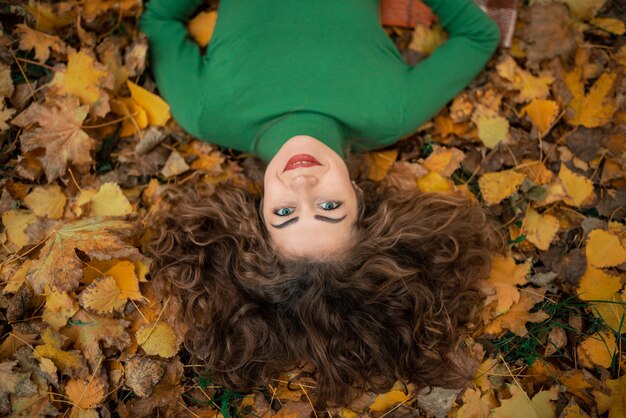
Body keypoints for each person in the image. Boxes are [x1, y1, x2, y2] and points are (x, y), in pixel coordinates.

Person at [142, 0, 504, 406]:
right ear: (359, 195)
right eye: (330, 207)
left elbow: (159, 19)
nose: (302, 184)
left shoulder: (206, 111)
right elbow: (480, 34)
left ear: (257, 212)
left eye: (285, 213)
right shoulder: (392, 111)